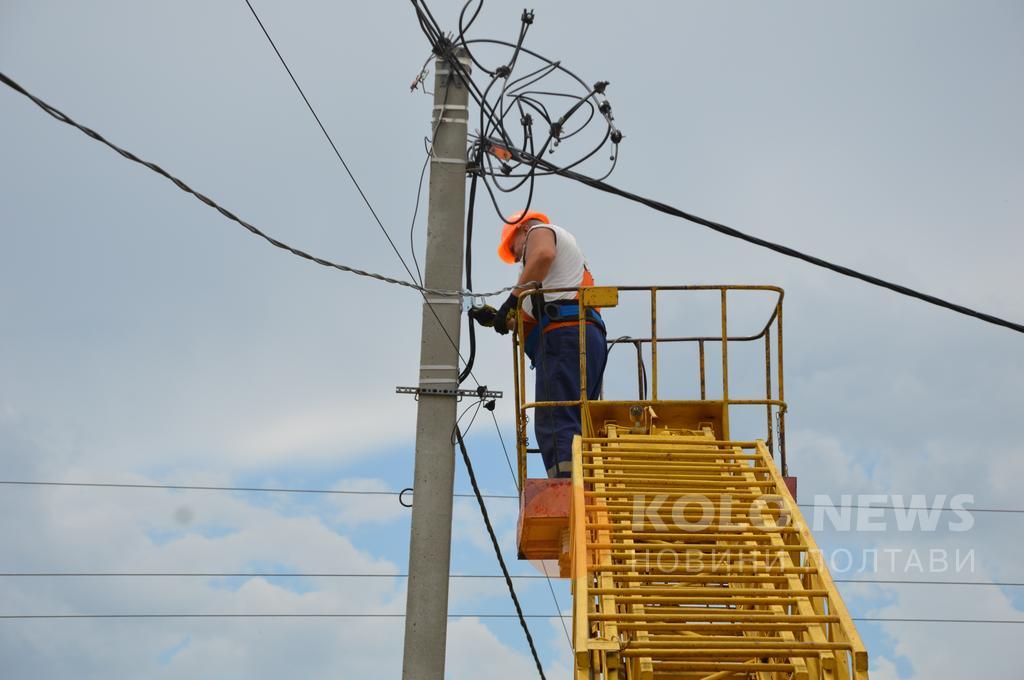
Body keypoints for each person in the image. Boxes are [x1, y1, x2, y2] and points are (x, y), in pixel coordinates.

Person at [470, 210, 608, 478]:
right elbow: (537, 317)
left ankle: (566, 490)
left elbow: (543, 254)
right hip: (578, 337)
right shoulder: (557, 277)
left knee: (554, 418)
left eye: (514, 250)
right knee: (574, 419)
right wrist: (501, 320)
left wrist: (512, 297)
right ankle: (582, 482)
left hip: (564, 337)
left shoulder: (541, 232)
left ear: (522, 230)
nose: (516, 258)